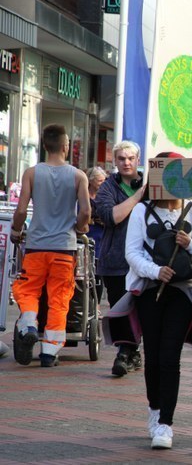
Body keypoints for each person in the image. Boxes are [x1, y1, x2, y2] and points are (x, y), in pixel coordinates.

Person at [124, 152, 192, 449]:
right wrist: (154, 271)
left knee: (170, 355)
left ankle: (166, 424)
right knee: (153, 353)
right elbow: (132, 252)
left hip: (183, 291)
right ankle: (155, 409)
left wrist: (191, 244)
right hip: (150, 290)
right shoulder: (141, 211)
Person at [11, 124, 91, 367]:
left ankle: (29, 325)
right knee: (59, 297)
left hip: (36, 245)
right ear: (66, 146)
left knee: (28, 290)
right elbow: (86, 211)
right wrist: (79, 227)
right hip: (64, 248)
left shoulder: (32, 173)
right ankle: (50, 352)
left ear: (45, 145)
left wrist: (16, 230)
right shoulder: (78, 176)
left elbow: (22, 209)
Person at [95, 140, 146, 377]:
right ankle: (129, 351)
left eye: (130, 158)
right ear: (115, 161)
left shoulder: (150, 184)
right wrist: (138, 196)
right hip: (115, 261)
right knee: (120, 309)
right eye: (121, 158)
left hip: (145, 261)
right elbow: (110, 216)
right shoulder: (107, 187)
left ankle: (125, 353)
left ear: (138, 159)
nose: (126, 162)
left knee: (141, 309)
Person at [87, 166, 107, 302]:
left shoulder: (104, 196)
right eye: (100, 180)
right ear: (91, 180)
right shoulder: (83, 195)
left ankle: (97, 304)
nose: (102, 183)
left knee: (98, 275)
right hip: (87, 237)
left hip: (100, 239)